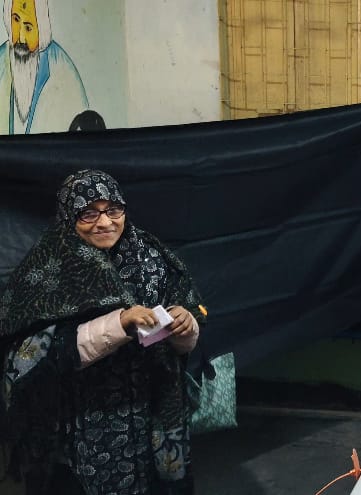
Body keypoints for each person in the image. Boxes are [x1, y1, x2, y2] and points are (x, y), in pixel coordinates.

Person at [0, 169, 204, 494]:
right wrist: (120, 323)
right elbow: (29, 356)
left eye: (113, 209)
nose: (105, 222)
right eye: (88, 213)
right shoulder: (48, 268)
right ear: (68, 216)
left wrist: (184, 325)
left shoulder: (151, 258)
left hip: (150, 416)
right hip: (78, 425)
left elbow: (185, 336)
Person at [0, 0, 89, 134]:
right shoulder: (1, 59)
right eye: (16, 20)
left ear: (41, 27)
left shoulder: (63, 71)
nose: (21, 38)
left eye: (28, 28)